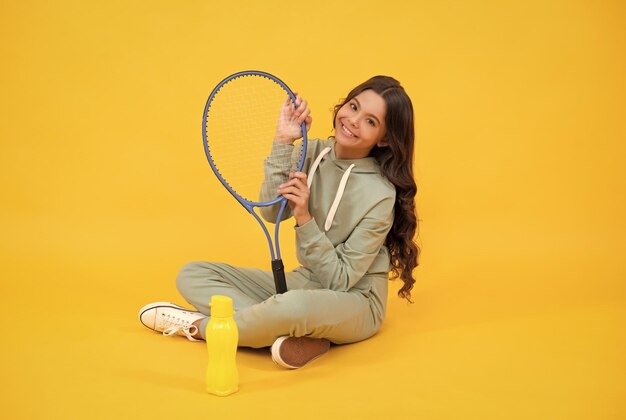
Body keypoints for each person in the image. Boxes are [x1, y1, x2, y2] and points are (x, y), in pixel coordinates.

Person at [139, 75, 420, 369]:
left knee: (293, 305)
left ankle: (203, 327)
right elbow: (272, 213)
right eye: (353, 106)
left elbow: (340, 280)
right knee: (193, 274)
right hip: (305, 282)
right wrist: (283, 141)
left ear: (385, 138)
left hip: (357, 301)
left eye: (371, 121)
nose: (353, 120)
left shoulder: (380, 194)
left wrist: (304, 217)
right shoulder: (312, 152)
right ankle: (288, 332)